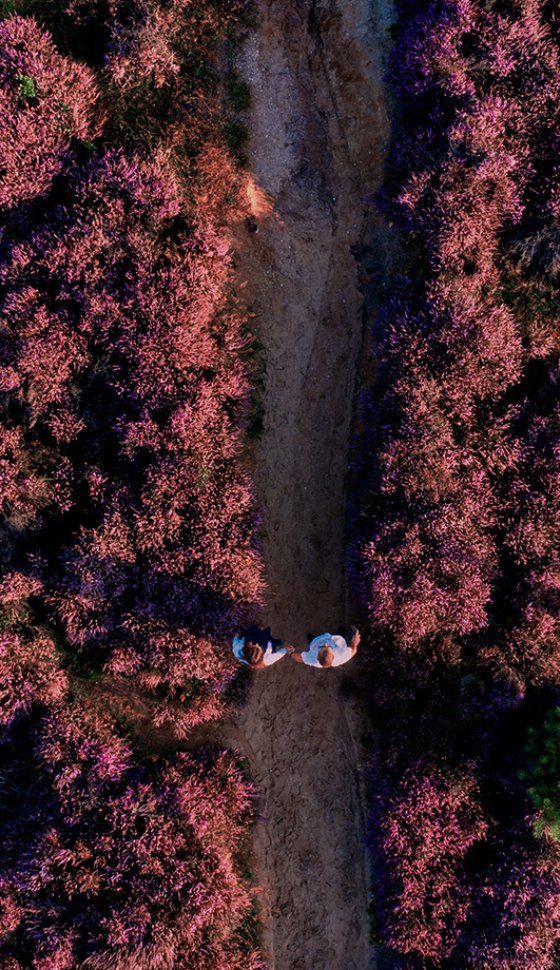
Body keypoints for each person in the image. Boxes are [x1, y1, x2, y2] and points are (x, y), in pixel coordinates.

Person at [291, 626, 361, 668]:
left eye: (321, 647)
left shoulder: (312, 657)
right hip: (337, 639)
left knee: (311, 638)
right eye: (329, 647)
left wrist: (291, 654)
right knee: (341, 632)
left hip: (316, 641)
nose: (325, 644)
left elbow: (300, 658)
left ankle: (312, 638)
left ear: (317, 657)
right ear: (333, 656)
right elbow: (353, 651)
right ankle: (341, 631)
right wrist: (354, 643)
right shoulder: (341, 655)